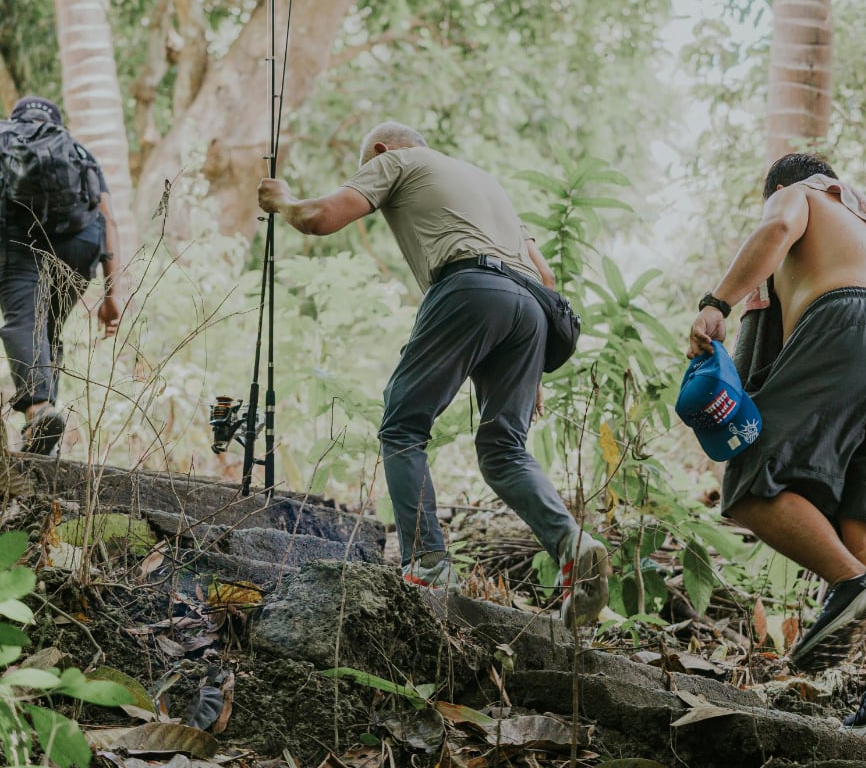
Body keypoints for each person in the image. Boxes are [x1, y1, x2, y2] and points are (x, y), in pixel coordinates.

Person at [256, 122, 611, 626]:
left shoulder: (394, 161)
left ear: (380, 152)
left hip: (468, 287)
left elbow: (319, 218)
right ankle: (574, 545)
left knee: (403, 426)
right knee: (503, 448)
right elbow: (546, 276)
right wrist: (525, 371)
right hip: (532, 310)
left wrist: (283, 200)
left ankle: (428, 565)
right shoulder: (485, 183)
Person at [687, 153, 866, 740]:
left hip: (850, 324)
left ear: (780, 184)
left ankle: (853, 584)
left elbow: (774, 236)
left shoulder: (798, 194)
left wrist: (716, 303)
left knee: (751, 483)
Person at [0, 96, 124, 456]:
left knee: (25, 323)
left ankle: (40, 410)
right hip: (80, 245)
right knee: (49, 330)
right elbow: (108, 219)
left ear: (15, 118)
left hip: (19, 235)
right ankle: (41, 433)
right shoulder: (79, 152)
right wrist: (111, 293)